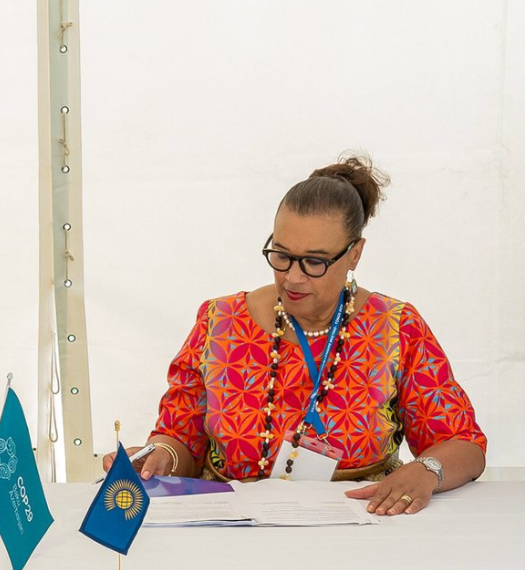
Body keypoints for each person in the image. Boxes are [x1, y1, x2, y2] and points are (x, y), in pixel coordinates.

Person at [113, 155, 486, 515]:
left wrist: (428, 471)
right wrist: (158, 456)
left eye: (315, 261)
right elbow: (180, 438)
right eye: (281, 254)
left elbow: (465, 446)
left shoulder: (395, 327)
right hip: (235, 534)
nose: (292, 277)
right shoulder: (220, 322)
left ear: (355, 254)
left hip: (363, 535)